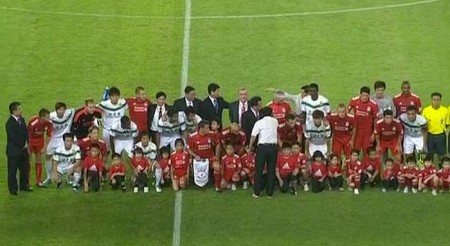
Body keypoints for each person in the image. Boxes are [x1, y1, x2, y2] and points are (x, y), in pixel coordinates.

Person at [248, 107, 278, 198]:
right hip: (273, 148)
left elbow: (253, 136)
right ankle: (270, 193)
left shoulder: (259, 123)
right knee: (271, 170)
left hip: (262, 148)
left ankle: (257, 192)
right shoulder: (275, 121)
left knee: (259, 170)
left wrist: (250, 146)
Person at [44, 102, 75, 186]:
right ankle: (49, 176)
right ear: (56, 110)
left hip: (64, 138)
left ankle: (68, 175)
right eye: (59, 109)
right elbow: (42, 118)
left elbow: (77, 110)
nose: (62, 111)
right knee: (48, 155)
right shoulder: (51, 116)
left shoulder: (69, 113)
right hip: (54, 138)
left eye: (63, 109)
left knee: (68, 154)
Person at [188, 120, 221, 192]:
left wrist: (217, 155)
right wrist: (195, 156)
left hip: (210, 158)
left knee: (217, 167)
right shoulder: (192, 137)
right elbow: (189, 150)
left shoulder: (212, 135)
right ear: (201, 129)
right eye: (207, 128)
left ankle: (217, 186)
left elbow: (218, 144)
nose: (208, 130)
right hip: (198, 160)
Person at [6, 101, 31, 195]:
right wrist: (22, 144)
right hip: (14, 152)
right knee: (12, 171)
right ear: (14, 111)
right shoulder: (10, 123)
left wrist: (27, 142)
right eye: (19, 109)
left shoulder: (22, 120)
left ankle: (24, 186)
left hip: (23, 150)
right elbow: (13, 138)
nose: (21, 110)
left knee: (24, 169)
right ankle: (13, 190)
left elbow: (26, 132)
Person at [347, 86, 379, 154]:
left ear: (369, 95)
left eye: (366, 95)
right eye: (363, 95)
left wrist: (373, 133)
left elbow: (376, 120)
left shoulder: (373, 104)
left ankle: (366, 164)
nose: (365, 97)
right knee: (355, 149)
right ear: (360, 94)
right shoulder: (354, 100)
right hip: (357, 129)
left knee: (367, 150)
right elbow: (347, 112)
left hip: (367, 131)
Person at [27, 108, 52, 187]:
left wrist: (45, 147)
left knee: (39, 160)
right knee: (28, 161)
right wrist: (27, 146)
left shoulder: (49, 124)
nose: (49, 118)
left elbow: (48, 135)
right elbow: (27, 134)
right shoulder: (33, 122)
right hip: (31, 141)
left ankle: (39, 181)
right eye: (47, 117)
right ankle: (27, 181)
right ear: (42, 117)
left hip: (40, 142)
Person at [98, 87, 128, 151]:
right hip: (107, 131)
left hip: (118, 130)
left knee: (118, 150)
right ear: (110, 97)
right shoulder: (104, 104)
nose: (115, 98)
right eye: (113, 96)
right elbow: (94, 109)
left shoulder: (122, 103)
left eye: (117, 96)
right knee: (106, 150)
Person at [422, 92, 449, 163]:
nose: (436, 102)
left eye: (438, 100)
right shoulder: (426, 111)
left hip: (441, 136)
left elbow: (447, 123)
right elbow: (423, 126)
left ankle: (441, 171)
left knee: (441, 156)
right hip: (430, 136)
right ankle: (429, 171)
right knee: (430, 155)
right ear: (431, 100)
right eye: (434, 100)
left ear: (440, 100)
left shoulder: (445, 110)